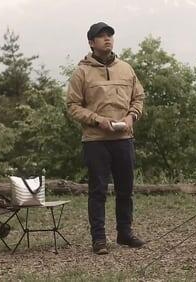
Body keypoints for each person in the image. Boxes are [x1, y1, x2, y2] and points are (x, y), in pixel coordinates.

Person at [66, 22, 145, 255]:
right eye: (101, 36)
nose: (107, 39)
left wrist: (132, 116)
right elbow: (72, 106)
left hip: (124, 138)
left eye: (109, 35)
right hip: (95, 140)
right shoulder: (82, 72)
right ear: (91, 43)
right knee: (98, 190)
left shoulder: (126, 68)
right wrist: (97, 120)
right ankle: (99, 239)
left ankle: (125, 233)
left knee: (125, 189)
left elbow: (138, 97)